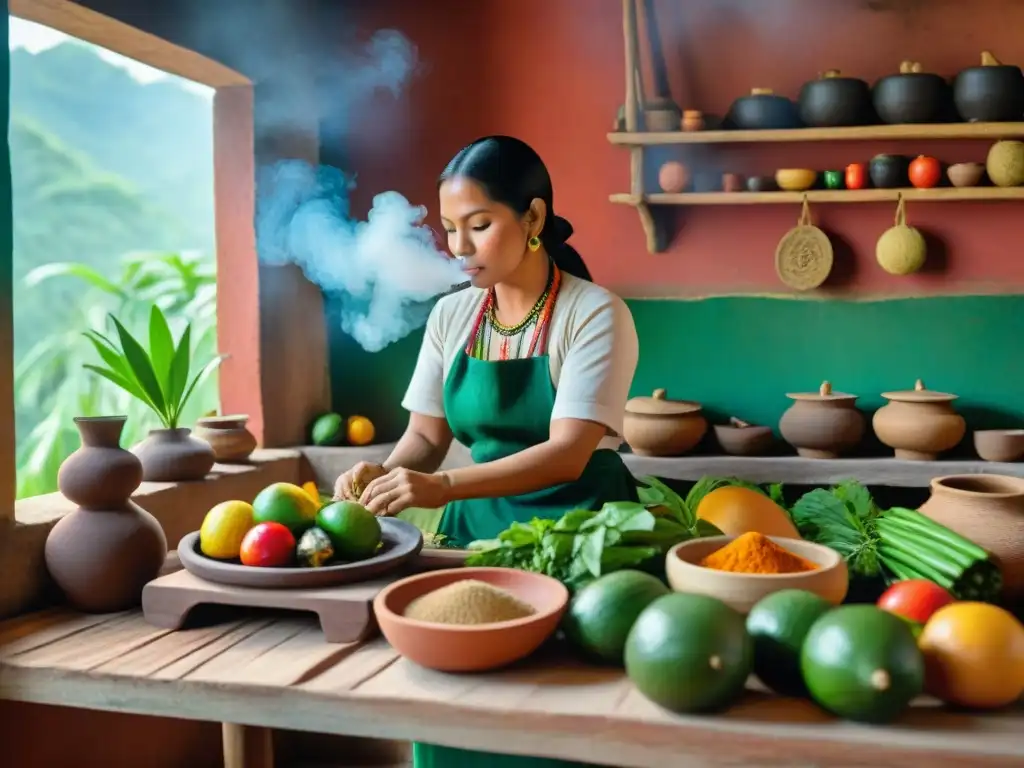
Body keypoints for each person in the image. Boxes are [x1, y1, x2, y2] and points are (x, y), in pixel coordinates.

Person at [333, 135, 639, 768]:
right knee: (452, 694)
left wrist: (442, 487)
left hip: (580, 528)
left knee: (558, 702)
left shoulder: (594, 313)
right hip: (475, 534)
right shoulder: (453, 316)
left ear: (532, 218)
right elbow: (426, 437)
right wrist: (381, 476)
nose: (459, 248)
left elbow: (567, 455)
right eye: (449, 229)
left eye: (479, 225)